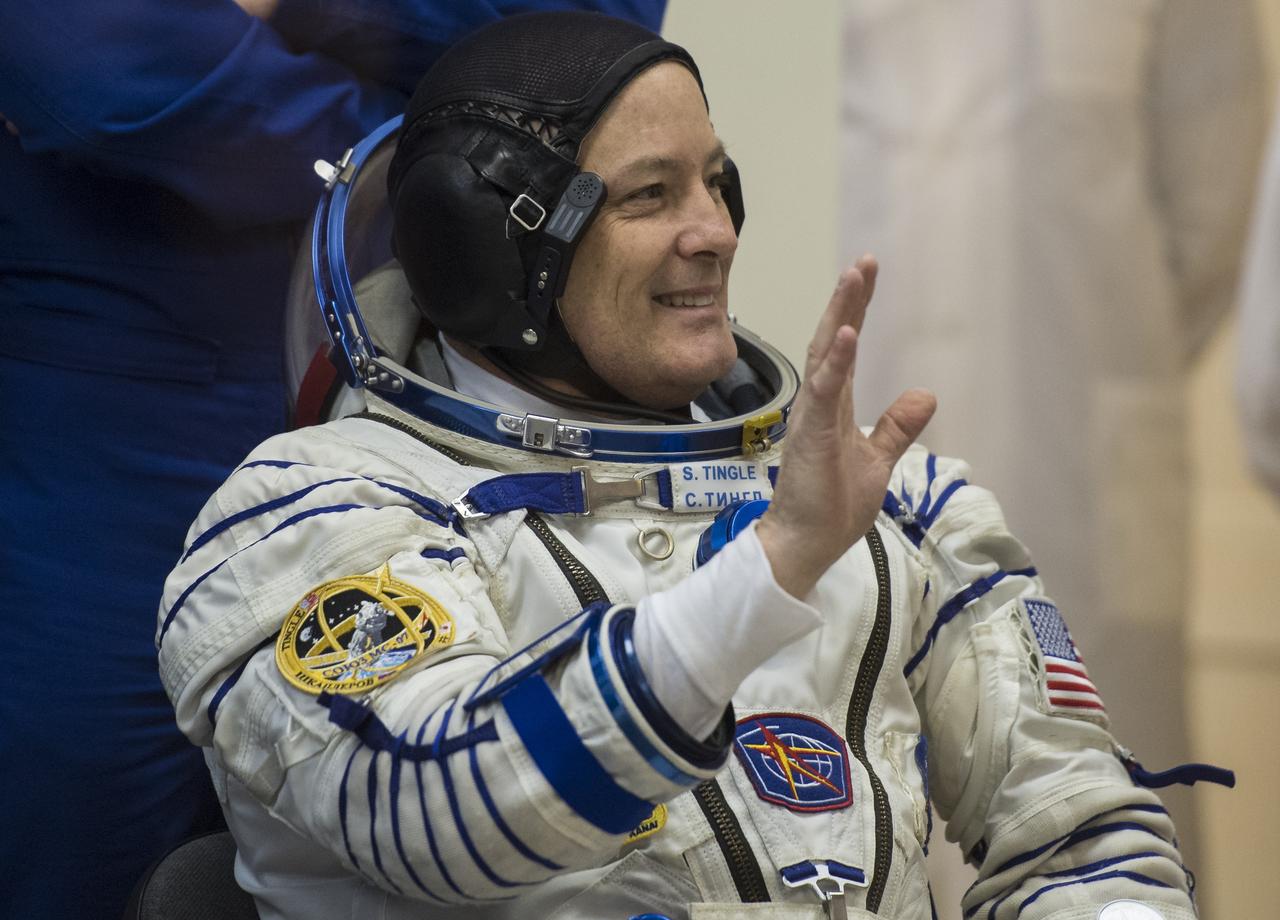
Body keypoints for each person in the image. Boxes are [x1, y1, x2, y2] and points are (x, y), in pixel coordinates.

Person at [159, 12, 1220, 919]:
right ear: (488, 251)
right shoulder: (310, 512)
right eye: (649, 196)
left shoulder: (894, 502)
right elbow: (442, 803)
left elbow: (1077, 830)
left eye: (717, 184)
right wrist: (763, 577)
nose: (713, 230)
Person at [0, 2, 662, 918]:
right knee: (88, 874)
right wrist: (401, 158)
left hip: (437, 423)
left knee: (458, 842)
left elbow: (576, 60)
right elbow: (97, 64)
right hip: (109, 462)